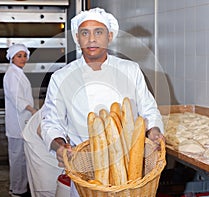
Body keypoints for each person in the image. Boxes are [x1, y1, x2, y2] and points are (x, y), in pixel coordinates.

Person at [40, 7, 165, 196]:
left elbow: (149, 109)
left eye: (98, 32)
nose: (91, 39)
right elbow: (51, 121)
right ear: (77, 38)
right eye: (85, 33)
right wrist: (59, 145)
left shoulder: (130, 70)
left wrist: (154, 131)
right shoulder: (61, 77)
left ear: (110, 36)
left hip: (130, 168)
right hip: (85, 169)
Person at [3, 44, 37, 197]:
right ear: (12, 58)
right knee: (17, 158)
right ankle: (17, 190)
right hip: (17, 124)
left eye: (24, 55)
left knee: (21, 157)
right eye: (19, 56)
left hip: (22, 122)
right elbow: (17, 98)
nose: (23, 59)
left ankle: (20, 187)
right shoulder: (11, 75)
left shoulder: (18, 73)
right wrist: (32, 110)